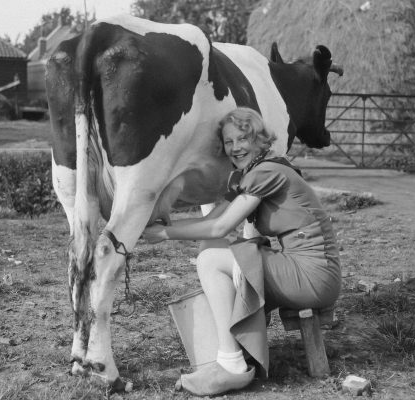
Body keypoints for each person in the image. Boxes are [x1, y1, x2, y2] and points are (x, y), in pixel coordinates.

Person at [143, 107, 341, 396]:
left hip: (313, 274)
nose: (235, 148)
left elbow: (220, 226)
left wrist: (162, 234)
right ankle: (230, 349)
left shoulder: (267, 172)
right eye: (228, 141)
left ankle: (231, 364)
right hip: (301, 268)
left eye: (242, 139)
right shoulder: (256, 171)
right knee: (211, 250)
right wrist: (166, 220)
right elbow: (212, 220)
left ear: (259, 139)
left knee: (212, 258)